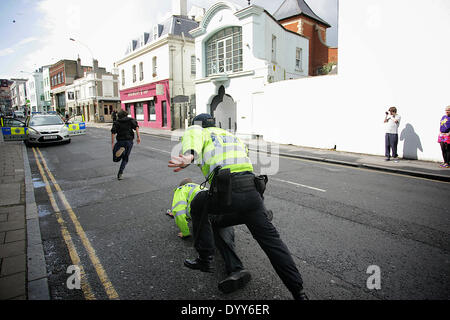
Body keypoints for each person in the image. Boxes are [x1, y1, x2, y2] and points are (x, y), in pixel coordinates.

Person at [168, 113, 308, 300]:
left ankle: (205, 258)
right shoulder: (231, 137)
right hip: (252, 192)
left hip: (226, 192)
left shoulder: (198, 130)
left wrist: (188, 156)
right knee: (274, 244)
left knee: (198, 204)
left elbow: (193, 137)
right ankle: (298, 291)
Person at [169, 177, 259, 293]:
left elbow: (178, 211)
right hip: (222, 210)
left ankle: (235, 269)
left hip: (207, 215)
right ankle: (237, 270)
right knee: (225, 237)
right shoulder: (200, 187)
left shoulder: (181, 189)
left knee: (214, 232)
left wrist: (186, 233)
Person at [111, 110, 141, 180]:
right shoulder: (131, 120)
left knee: (116, 159)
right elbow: (136, 127)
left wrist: (112, 143)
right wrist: (138, 137)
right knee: (125, 158)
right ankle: (120, 173)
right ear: (126, 115)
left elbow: (113, 133)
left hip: (120, 141)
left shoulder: (116, 122)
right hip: (129, 141)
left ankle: (121, 152)